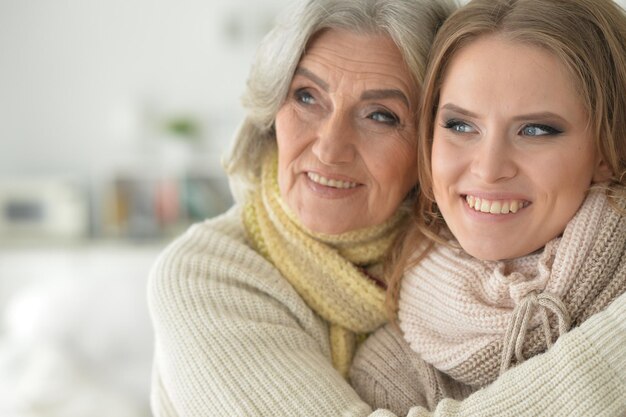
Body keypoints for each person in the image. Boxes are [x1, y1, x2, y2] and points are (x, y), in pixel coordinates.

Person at [148, 0, 626, 416]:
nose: (330, 148)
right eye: (306, 97)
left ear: (423, 142)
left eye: (380, 115)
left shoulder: (475, 252)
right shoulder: (205, 274)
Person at [351, 0, 626, 416]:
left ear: (607, 149)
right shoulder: (392, 369)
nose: (489, 168)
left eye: (535, 130)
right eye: (461, 126)